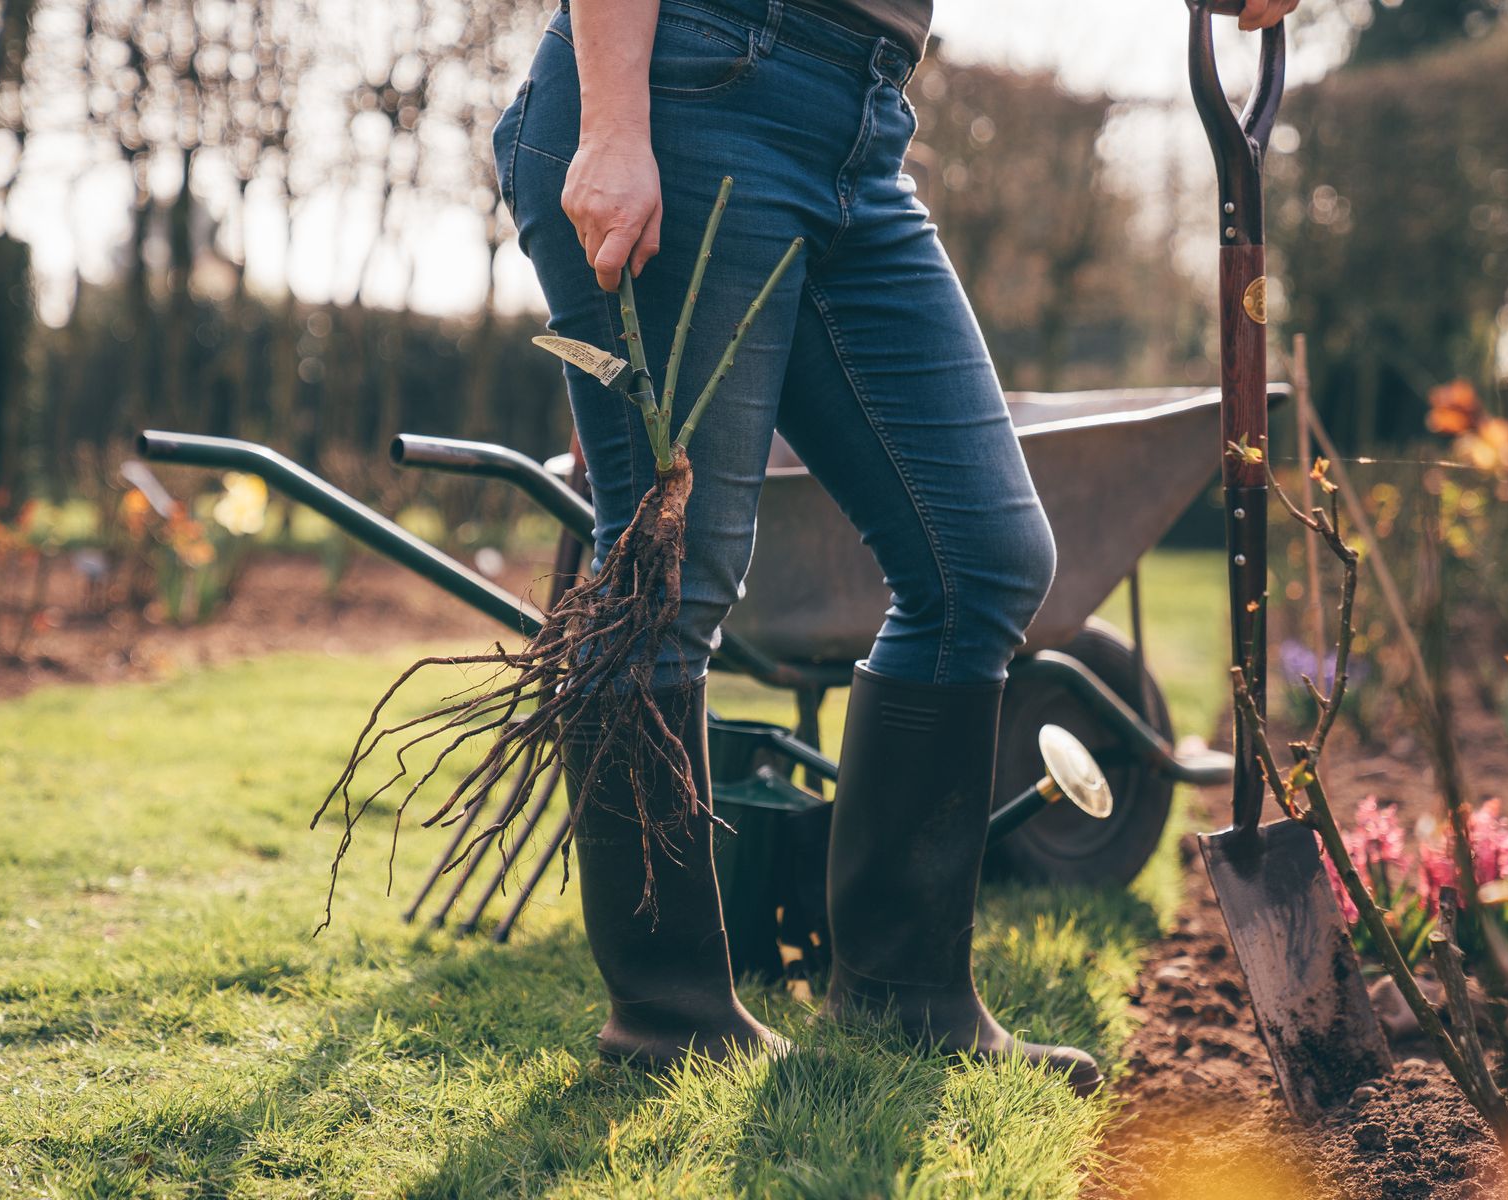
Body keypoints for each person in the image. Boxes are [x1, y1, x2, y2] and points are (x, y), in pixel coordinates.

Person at [493, 0, 1297, 1089]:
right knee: (665, 573)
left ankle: (905, 992)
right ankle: (670, 1013)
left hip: (862, 121)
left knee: (985, 557)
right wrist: (614, 122)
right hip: (694, 81)